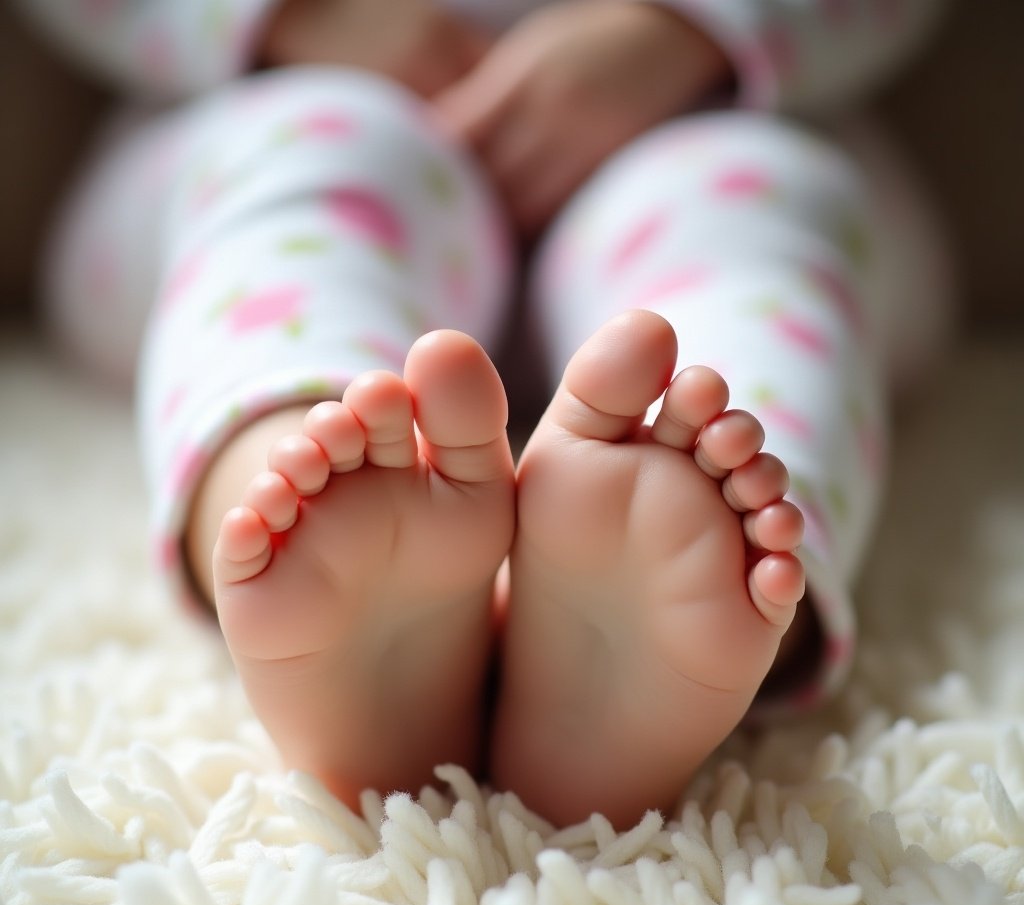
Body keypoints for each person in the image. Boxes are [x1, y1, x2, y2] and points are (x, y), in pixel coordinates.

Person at [16, 0, 953, 829]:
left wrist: (685, 30)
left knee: (754, 206)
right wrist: (299, 18)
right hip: (298, 97)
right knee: (306, 164)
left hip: (688, 119)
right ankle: (289, 494)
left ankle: (698, 585)